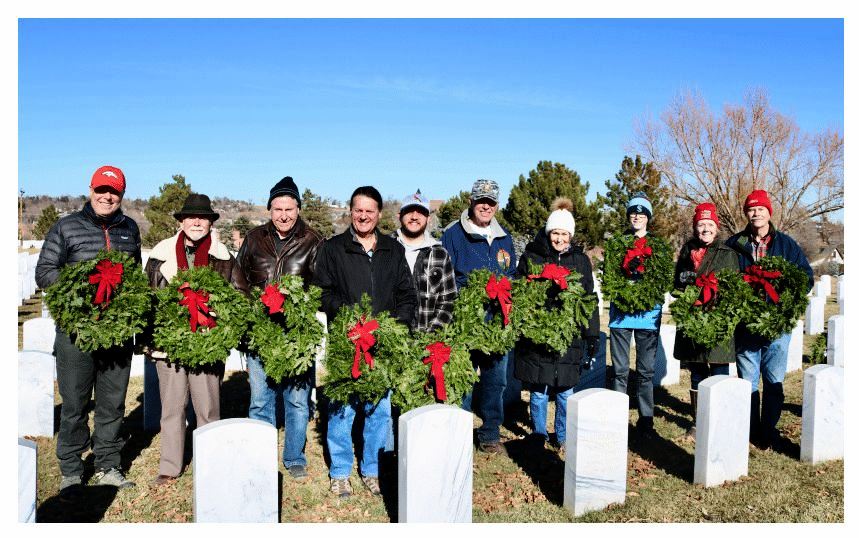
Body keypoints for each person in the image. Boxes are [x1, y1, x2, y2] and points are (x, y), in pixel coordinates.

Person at [35, 165, 141, 495]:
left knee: (112, 402)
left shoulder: (129, 228)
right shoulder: (67, 227)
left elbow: (135, 276)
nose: (107, 197)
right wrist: (83, 291)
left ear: (121, 195)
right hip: (76, 332)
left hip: (117, 332)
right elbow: (44, 271)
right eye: (101, 190)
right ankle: (70, 467)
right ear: (90, 190)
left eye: (114, 192)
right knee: (75, 402)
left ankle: (108, 464)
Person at [313, 186, 416, 498]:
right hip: (347, 343)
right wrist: (349, 319)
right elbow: (322, 292)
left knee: (379, 411)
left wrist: (388, 327)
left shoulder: (392, 250)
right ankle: (341, 472)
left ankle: (371, 469)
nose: (363, 216)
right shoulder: (333, 249)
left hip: (382, 345)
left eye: (370, 210)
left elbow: (407, 296)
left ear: (379, 214)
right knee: (341, 410)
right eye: (358, 209)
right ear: (350, 211)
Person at [144, 193, 250, 485]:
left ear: (210, 222)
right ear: (180, 221)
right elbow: (148, 297)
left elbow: (241, 296)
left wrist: (216, 316)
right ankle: (170, 466)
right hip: (168, 346)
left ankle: (210, 461)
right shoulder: (160, 254)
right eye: (190, 217)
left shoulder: (224, 256)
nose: (196, 222)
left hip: (207, 342)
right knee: (172, 407)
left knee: (207, 408)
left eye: (202, 217)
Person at [236, 176, 323, 480]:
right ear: (269, 209)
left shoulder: (312, 240)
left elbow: (320, 286)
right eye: (277, 208)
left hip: (295, 333)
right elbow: (239, 280)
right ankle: (260, 454)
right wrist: (254, 311)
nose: (283, 214)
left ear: (298, 209)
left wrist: (297, 306)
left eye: (289, 208)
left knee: (297, 399)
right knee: (261, 397)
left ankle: (294, 455)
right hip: (261, 331)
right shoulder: (254, 238)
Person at [725, 190, 813, 449]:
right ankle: (751, 431)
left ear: (769, 212)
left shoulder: (786, 245)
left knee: (774, 380)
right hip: (746, 326)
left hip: (777, 326)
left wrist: (784, 302)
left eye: (760, 208)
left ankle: (768, 430)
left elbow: (805, 277)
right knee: (747, 381)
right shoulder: (735, 244)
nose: (756, 213)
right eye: (751, 209)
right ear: (746, 213)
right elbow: (726, 281)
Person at [514, 198, 600, 451]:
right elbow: (520, 288)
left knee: (565, 389)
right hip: (539, 331)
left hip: (568, 332)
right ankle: (539, 433)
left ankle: (562, 435)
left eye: (564, 234)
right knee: (539, 389)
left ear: (570, 235)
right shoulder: (533, 255)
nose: (559, 239)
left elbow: (588, 299)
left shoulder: (581, 260)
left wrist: (591, 334)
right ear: (548, 232)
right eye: (555, 233)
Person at [441, 178, 517, 454]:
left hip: (497, 318)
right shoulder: (453, 235)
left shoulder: (504, 237)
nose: (485, 206)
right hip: (465, 315)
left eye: (491, 202)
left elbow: (511, 274)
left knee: (496, 378)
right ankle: (460, 429)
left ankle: (489, 432)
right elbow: (445, 276)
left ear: (496, 205)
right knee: (463, 374)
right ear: (471, 202)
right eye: (480, 201)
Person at [672, 202, 739, 439]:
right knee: (697, 372)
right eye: (701, 225)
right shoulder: (686, 251)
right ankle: (697, 422)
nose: (705, 229)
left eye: (710, 225)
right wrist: (683, 281)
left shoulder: (728, 254)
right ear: (695, 227)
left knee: (719, 372)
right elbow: (675, 287)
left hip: (717, 322)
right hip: (693, 320)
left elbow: (734, 290)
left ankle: (720, 423)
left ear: (716, 228)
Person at [608, 192, 663, 438]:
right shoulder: (617, 243)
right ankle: (618, 416)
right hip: (621, 314)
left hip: (647, 315)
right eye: (633, 212)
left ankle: (646, 419)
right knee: (620, 370)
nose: (636, 216)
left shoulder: (658, 246)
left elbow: (661, 280)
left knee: (645, 371)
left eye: (641, 213)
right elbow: (610, 276)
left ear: (648, 217)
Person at [393, 189, 457, 333]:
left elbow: (448, 300)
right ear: (400, 216)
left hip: (426, 341)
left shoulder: (439, 254)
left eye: (420, 212)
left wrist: (432, 336)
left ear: (428, 218)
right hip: (390, 340)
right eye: (409, 211)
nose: (414, 216)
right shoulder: (386, 248)